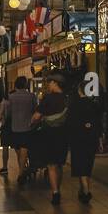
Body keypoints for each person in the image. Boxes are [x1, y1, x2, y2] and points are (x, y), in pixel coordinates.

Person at [30, 75, 70, 205]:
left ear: (55, 83)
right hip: (63, 135)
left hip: (49, 135)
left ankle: (55, 192)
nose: (48, 85)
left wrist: (32, 122)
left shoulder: (48, 98)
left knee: (51, 165)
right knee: (59, 164)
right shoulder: (67, 99)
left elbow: (36, 116)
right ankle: (58, 188)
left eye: (50, 82)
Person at [68, 80, 100, 203]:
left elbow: (70, 123)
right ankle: (82, 189)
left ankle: (86, 190)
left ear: (79, 90)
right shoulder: (94, 104)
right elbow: (98, 123)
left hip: (78, 138)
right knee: (87, 164)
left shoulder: (74, 105)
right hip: (91, 138)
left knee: (79, 164)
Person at [1, 76, 36, 183]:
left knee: (18, 149)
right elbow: (35, 110)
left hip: (14, 127)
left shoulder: (11, 97)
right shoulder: (31, 96)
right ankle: (21, 172)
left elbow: (8, 113)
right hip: (27, 127)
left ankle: (22, 171)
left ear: (16, 85)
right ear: (25, 85)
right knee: (24, 149)